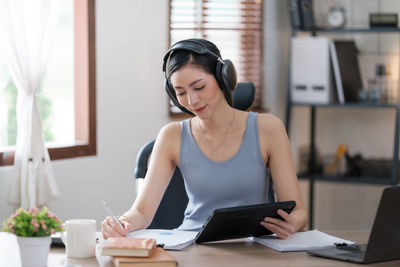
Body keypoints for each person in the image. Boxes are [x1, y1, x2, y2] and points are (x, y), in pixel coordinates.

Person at [101, 39, 307, 239]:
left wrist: (293, 223)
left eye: (199, 87)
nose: (192, 101)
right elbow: (142, 212)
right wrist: (122, 222)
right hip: (192, 246)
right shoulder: (171, 136)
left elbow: (298, 211)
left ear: (222, 78)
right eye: (180, 92)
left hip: (253, 248)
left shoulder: (268, 128)